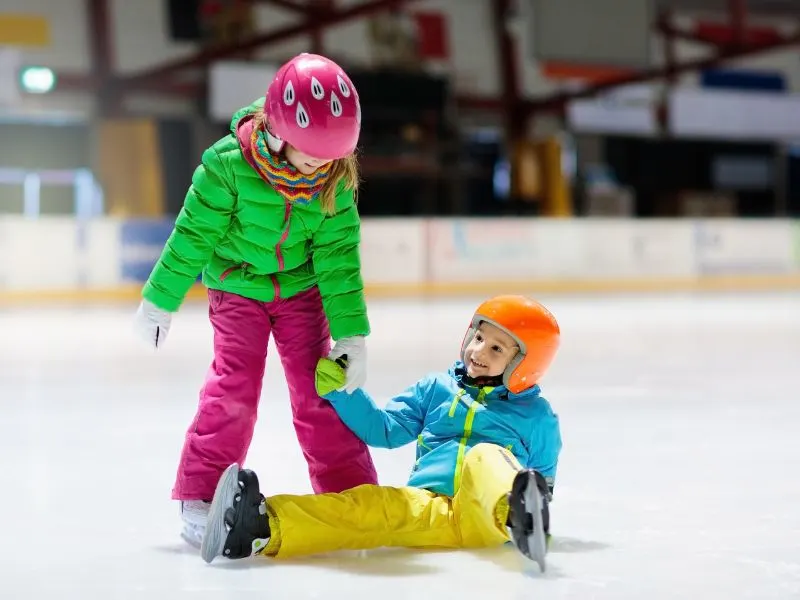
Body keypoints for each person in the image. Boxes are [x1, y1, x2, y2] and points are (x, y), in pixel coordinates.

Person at [132, 53, 379, 547]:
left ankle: (349, 492)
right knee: (234, 388)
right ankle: (201, 494)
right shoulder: (226, 167)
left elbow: (337, 259)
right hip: (236, 288)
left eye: (331, 156)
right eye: (311, 154)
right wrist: (160, 300)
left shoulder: (333, 180)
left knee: (320, 391)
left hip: (300, 292)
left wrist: (351, 333)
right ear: (279, 130)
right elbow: (192, 237)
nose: (321, 166)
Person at [200, 295, 563, 572]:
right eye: (479, 336)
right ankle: (261, 526)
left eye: (497, 348)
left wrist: (528, 504)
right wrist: (344, 392)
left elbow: (542, 482)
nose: (478, 351)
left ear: (525, 364)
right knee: (369, 506)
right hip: (428, 506)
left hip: (488, 515)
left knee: (485, 458)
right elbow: (384, 429)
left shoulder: (537, 417)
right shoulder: (437, 390)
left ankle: (519, 516)